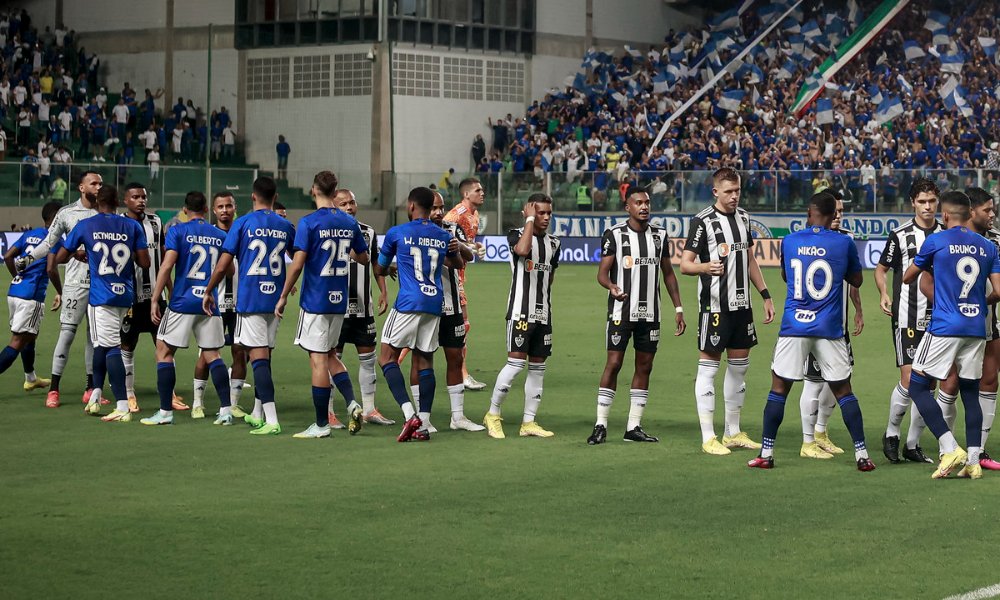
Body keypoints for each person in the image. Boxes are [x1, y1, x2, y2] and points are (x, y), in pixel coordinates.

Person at [747, 192, 875, 471]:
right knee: (844, 390)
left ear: (809, 213)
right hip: (829, 327)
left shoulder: (790, 241)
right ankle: (862, 455)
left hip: (794, 326)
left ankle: (766, 453)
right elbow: (856, 280)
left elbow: (785, 275)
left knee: (779, 388)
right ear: (833, 216)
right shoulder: (843, 242)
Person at [900, 191, 1000, 479]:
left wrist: (931, 264)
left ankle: (948, 445)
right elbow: (999, 291)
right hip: (976, 329)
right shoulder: (987, 246)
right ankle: (973, 461)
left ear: (944, 215)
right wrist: (979, 304)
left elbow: (908, 277)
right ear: (969, 213)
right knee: (970, 393)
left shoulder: (936, 240)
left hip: (944, 327)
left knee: (918, 387)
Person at [680, 167, 773, 455]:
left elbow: (749, 259)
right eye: (729, 191)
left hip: (742, 307)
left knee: (739, 369)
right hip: (715, 308)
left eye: (738, 191)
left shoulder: (744, 218)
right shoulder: (702, 222)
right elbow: (685, 264)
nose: (734, 197)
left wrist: (765, 294)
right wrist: (705, 267)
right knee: (708, 369)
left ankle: (733, 432)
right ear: (716, 191)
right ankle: (709, 436)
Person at [587, 185, 686, 445]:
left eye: (647, 203)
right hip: (622, 312)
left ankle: (633, 427)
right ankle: (600, 424)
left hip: (651, 314)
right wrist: (611, 287)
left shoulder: (660, 236)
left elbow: (668, 274)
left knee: (645, 366)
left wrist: (678, 308)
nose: (644, 207)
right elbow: (602, 274)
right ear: (627, 207)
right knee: (614, 364)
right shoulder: (615, 235)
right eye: (638, 203)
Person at [274, 171, 368, 438]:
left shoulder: (308, 223)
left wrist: (282, 295)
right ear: (335, 190)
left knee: (317, 361)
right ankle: (352, 402)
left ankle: (321, 425)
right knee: (329, 355)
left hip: (315, 300)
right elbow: (362, 257)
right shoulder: (349, 223)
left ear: (314, 189)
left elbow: (298, 263)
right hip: (339, 301)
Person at [203, 176, 294, 435]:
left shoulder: (242, 224)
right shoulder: (285, 225)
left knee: (259, 359)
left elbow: (223, 264)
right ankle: (257, 412)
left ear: (253, 197)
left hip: (251, 301)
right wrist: (287, 289)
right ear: (274, 197)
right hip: (275, 301)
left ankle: (272, 420)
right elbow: (297, 258)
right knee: (264, 356)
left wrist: (209, 290)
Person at [55, 184, 150, 421]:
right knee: (100, 344)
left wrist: (79, 252)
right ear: (118, 201)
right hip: (125, 296)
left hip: (101, 297)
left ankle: (121, 405)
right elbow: (145, 263)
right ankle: (96, 393)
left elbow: (60, 257)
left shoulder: (86, 225)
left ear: (97, 202)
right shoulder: (132, 225)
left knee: (110, 348)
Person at [373, 186, 459, 442]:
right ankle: (424, 424)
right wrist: (451, 249)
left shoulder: (397, 232)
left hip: (409, 301)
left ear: (411, 206)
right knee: (425, 361)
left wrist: (388, 269)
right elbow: (457, 264)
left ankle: (409, 413)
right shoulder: (443, 235)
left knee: (386, 357)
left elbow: (379, 267)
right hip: (435, 303)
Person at [141, 192, 233, 426]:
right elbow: (229, 271)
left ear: (184, 210)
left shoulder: (177, 231)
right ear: (205, 208)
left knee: (163, 351)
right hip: (209, 302)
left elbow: (167, 265)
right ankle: (225, 411)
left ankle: (164, 412)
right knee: (213, 354)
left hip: (183, 301)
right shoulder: (219, 234)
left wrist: (155, 299)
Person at [16, 171, 101, 409]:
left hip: (100, 284)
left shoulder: (105, 212)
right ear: (81, 187)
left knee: (94, 338)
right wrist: (30, 258)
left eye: (100, 183)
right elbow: (49, 243)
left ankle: (90, 388)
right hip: (75, 283)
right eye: (93, 183)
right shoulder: (67, 213)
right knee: (67, 333)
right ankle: (53, 389)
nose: (98, 186)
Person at [874, 178, 942, 464]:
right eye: (922, 202)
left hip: (939, 319)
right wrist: (884, 292)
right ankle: (891, 434)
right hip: (907, 317)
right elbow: (881, 269)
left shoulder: (947, 233)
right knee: (910, 378)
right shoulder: (900, 234)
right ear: (913, 202)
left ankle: (912, 445)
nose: (927, 207)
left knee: (929, 386)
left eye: (932, 201)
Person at [484, 193, 561, 438]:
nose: (546, 217)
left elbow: (550, 278)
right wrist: (528, 221)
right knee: (515, 364)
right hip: (520, 311)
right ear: (529, 213)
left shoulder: (555, 243)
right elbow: (522, 250)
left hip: (543, 313)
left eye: (549, 212)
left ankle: (529, 422)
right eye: (540, 212)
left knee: (538, 368)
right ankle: (493, 414)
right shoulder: (516, 234)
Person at [798, 194, 865, 458]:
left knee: (839, 379)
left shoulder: (846, 239)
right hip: (815, 326)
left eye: (841, 211)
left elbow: (853, 280)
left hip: (840, 327)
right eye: (834, 211)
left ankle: (821, 432)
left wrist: (858, 310)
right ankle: (807, 441)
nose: (838, 215)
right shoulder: (807, 240)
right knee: (813, 382)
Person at [409, 190, 481, 432]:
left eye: (441, 207)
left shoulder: (451, 230)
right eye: (434, 208)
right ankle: (421, 417)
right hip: (425, 307)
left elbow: (469, 256)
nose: (439, 212)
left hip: (452, 306)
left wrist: (457, 244)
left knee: (455, 357)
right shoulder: (412, 232)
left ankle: (458, 417)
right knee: (420, 359)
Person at [117, 183, 187, 414]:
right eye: (135, 197)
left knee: (165, 345)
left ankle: (170, 394)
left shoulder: (156, 222)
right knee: (128, 345)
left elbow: (165, 259)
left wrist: (171, 290)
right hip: (130, 298)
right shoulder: (120, 224)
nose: (141, 201)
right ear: (125, 200)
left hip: (157, 297)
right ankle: (128, 394)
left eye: (144, 197)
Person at [332, 188, 394, 426]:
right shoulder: (329, 231)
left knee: (368, 359)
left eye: (352, 203)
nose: (349, 207)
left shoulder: (368, 232)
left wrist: (383, 291)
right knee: (332, 359)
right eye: (343, 204)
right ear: (334, 206)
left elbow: (376, 263)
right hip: (335, 309)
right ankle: (329, 412)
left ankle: (369, 409)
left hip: (363, 308)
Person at [193, 191, 249, 414]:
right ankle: (198, 402)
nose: (225, 210)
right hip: (214, 304)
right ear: (213, 210)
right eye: (220, 207)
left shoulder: (244, 233)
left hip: (240, 303)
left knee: (239, 352)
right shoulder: (209, 235)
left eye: (229, 206)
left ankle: (233, 404)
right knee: (207, 354)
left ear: (235, 208)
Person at [0, 201, 61, 396]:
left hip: (15, 293)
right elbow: (52, 269)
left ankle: (31, 378)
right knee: (18, 340)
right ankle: (30, 378)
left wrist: (17, 277)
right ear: (56, 218)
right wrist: (60, 291)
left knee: (30, 336)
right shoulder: (53, 239)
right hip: (31, 296)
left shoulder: (29, 234)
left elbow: (8, 256)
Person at [962, 187, 1000, 470]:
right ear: (971, 211)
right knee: (950, 384)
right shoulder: (952, 238)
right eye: (987, 209)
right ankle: (947, 447)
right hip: (957, 323)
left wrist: (984, 301)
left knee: (989, 380)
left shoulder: (997, 240)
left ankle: (981, 451)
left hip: (990, 321)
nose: (992, 214)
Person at [443, 177, 488, 390]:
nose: (482, 193)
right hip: (448, 274)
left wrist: (474, 246)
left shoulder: (475, 215)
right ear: (466, 194)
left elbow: (464, 242)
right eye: (478, 190)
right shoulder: (454, 215)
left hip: (460, 275)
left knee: (454, 326)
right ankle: (462, 374)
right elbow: (445, 239)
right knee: (461, 325)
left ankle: (462, 373)